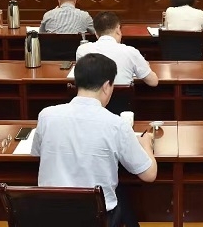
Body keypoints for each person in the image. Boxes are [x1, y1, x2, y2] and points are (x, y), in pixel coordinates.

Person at [31, 53, 157, 227]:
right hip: (97, 219)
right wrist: (146, 145)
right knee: (122, 198)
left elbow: (37, 153)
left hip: (50, 216)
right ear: (106, 86)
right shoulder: (116, 124)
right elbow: (149, 175)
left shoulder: (46, 115)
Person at [76, 12, 158, 87]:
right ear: (118, 30)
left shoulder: (82, 50)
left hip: (92, 98)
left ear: (96, 34)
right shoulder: (130, 52)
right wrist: (143, 65)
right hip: (122, 98)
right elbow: (153, 82)